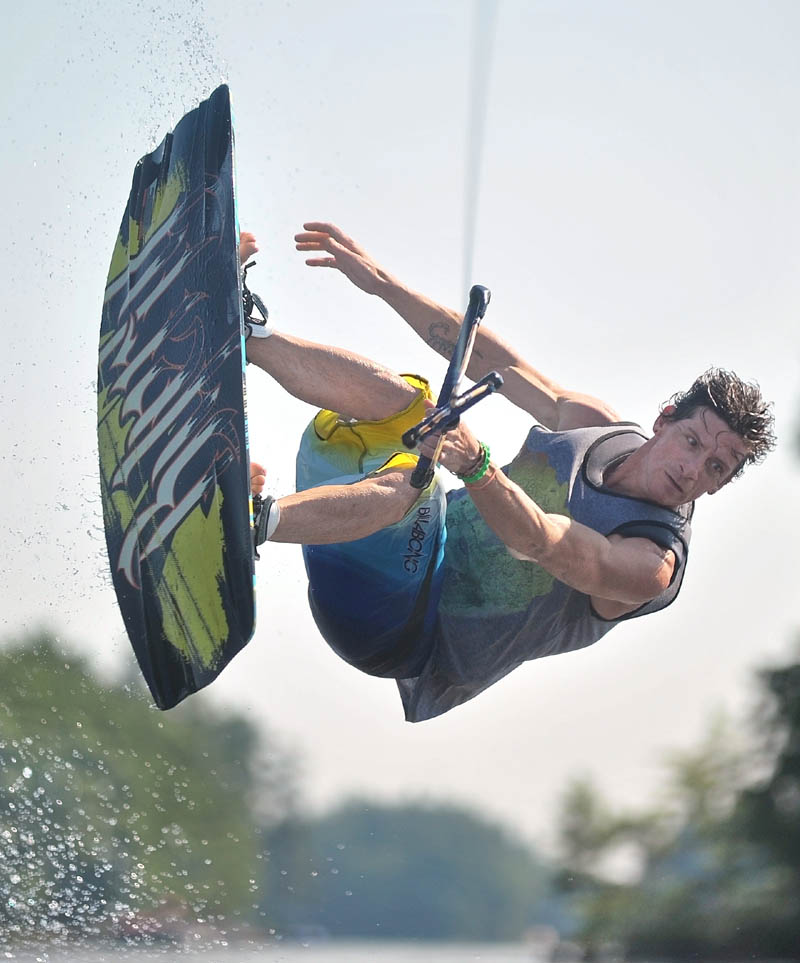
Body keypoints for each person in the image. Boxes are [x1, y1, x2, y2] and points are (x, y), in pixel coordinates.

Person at [240, 224, 775, 723]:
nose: (691, 467)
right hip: (360, 529)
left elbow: (545, 543)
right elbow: (491, 361)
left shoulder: (652, 563)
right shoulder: (594, 425)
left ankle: (251, 522)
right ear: (664, 421)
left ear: (720, 484)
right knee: (413, 404)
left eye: (714, 466)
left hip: (401, 630)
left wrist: (477, 467)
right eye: (691, 441)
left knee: (418, 480)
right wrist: (381, 283)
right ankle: (243, 336)